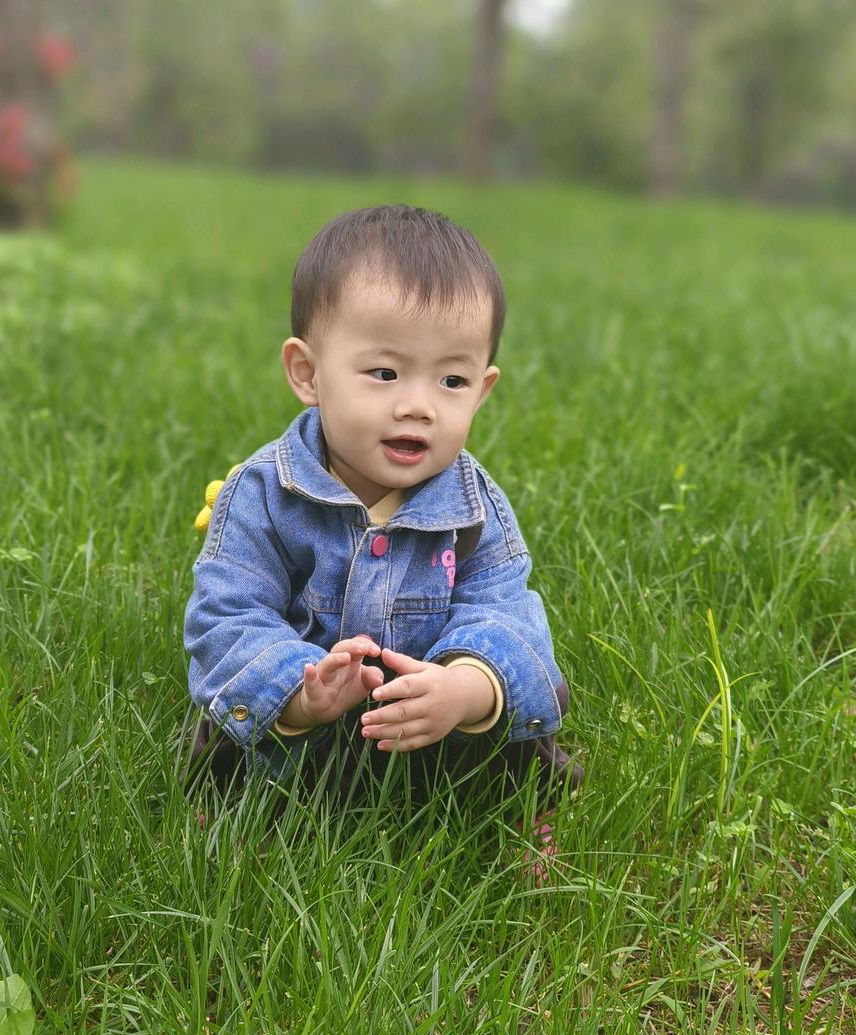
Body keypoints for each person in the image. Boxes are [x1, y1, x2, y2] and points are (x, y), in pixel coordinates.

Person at [182, 204, 583, 881]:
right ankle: (246, 819)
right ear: (307, 373)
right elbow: (226, 615)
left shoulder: (474, 508)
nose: (418, 405)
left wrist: (465, 688)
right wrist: (299, 692)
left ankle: (507, 814)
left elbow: (506, 612)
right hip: (308, 718)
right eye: (385, 373)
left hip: (430, 722)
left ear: (482, 390)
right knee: (234, 727)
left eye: (451, 381)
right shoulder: (262, 495)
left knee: (517, 719)